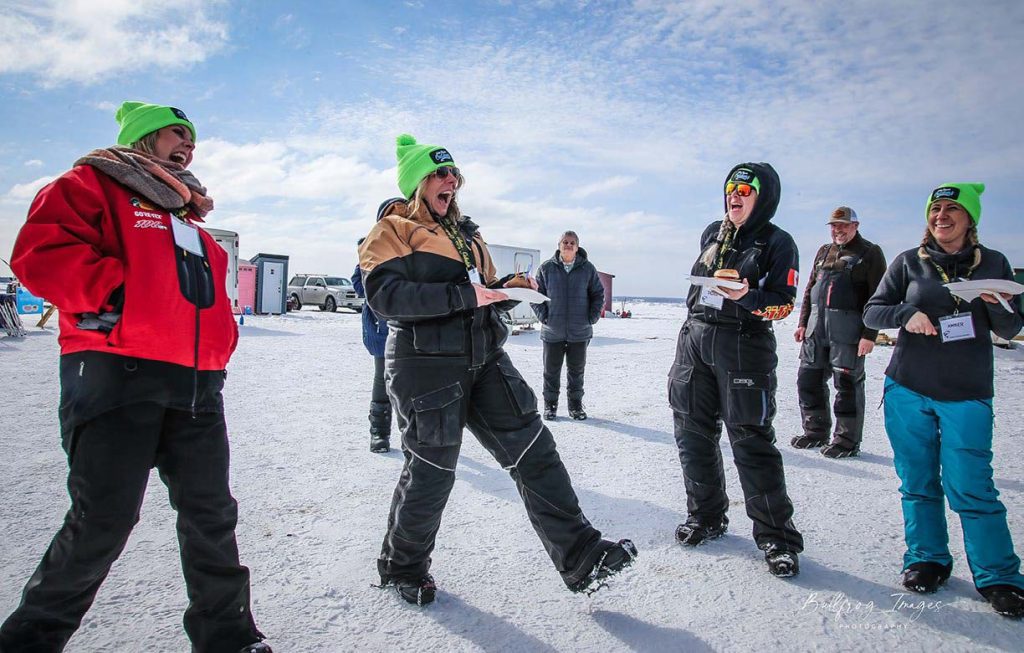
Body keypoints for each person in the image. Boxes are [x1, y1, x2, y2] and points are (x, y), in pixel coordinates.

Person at [0, 102, 270, 653]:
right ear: (144, 139)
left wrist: (221, 339)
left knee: (211, 516)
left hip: (196, 382)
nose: (188, 145)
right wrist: (119, 295)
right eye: (177, 134)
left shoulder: (187, 215)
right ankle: (28, 642)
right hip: (115, 375)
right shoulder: (91, 183)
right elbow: (39, 254)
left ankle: (228, 638)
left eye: (192, 138)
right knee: (103, 520)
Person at [359, 134, 636, 605]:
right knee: (432, 470)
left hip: (485, 358)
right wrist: (467, 296)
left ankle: (582, 556)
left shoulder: (468, 235)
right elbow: (385, 298)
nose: (452, 181)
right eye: (440, 174)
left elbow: (483, 289)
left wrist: (508, 288)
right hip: (426, 366)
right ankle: (402, 566)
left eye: (454, 175)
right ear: (418, 183)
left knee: (535, 450)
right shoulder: (394, 230)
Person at [863, 183, 1024, 618]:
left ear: (971, 218)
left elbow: (1010, 329)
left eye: (954, 208)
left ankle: (1000, 576)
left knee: (972, 487)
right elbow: (872, 311)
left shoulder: (993, 263)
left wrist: (997, 304)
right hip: (907, 388)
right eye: (936, 208)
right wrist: (904, 314)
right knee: (917, 482)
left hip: (966, 393)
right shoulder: (908, 262)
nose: (943, 215)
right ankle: (927, 559)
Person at [668, 163, 804, 577]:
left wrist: (747, 296)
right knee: (693, 434)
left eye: (746, 189)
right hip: (695, 340)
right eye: (731, 188)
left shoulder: (779, 242)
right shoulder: (713, 232)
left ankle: (777, 538)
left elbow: (783, 304)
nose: (736, 194)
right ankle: (706, 516)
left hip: (744, 345)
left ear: (763, 197)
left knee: (751, 440)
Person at [792, 206, 886, 458]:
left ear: (855, 225)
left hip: (848, 333)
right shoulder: (824, 252)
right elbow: (811, 288)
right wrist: (802, 323)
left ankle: (846, 440)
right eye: (834, 225)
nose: (838, 230)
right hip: (816, 328)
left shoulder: (870, 253)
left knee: (847, 386)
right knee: (808, 380)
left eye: (843, 225)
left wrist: (869, 334)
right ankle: (815, 431)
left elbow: (879, 297)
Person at [532, 230, 605, 421]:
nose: (568, 245)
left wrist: (591, 317)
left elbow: (598, 294)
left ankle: (575, 407)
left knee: (576, 372)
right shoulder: (546, 268)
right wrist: (544, 317)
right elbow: (535, 296)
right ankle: (550, 406)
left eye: (572, 242)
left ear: (577, 247)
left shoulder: (587, 268)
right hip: (552, 331)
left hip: (579, 332)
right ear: (559, 245)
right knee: (551, 372)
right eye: (565, 242)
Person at [352, 199, 402, 453]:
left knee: (415, 385)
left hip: (414, 328)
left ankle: (421, 438)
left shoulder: (416, 243)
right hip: (383, 328)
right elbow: (359, 285)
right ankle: (379, 433)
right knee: (383, 380)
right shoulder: (372, 246)